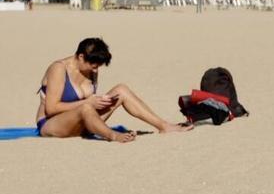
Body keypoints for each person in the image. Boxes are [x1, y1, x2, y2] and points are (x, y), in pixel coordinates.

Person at [35, 37, 192, 142]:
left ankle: (163, 126)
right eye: (93, 65)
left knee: (121, 90)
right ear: (81, 57)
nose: (96, 69)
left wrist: (100, 101)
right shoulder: (59, 69)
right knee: (85, 107)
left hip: (83, 119)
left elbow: (89, 103)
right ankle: (113, 135)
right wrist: (88, 102)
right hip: (51, 124)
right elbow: (51, 108)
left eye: (99, 66)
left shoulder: (92, 70)